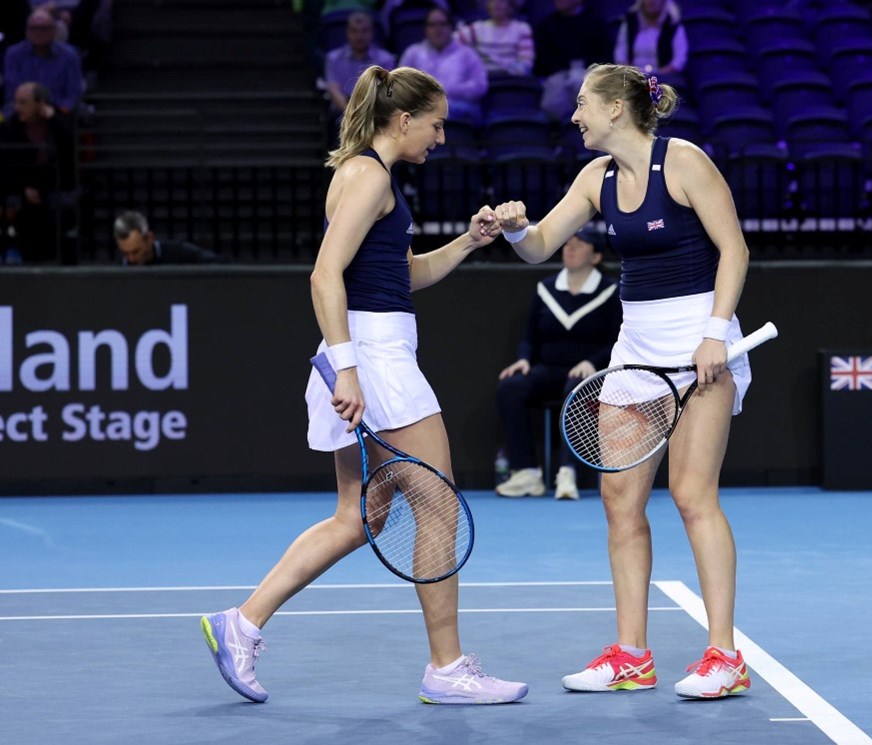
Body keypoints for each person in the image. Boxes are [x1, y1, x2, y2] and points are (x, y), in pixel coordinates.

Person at [199, 65, 527, 706]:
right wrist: (350, 371)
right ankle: (447, 668)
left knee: (358, 518)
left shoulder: (367, 176)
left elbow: (404, 276)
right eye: (435, 125)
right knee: (436, 504)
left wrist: (469, 240)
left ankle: (240, 624)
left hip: (363, 353)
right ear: (403, 120)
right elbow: (325, 278)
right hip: (371, 360)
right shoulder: (371, 176)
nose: (439, 137)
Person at [484, 64, 754, 699]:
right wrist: (518, 227)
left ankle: (725, 655)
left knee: (692, 496)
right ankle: (632, 654)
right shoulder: (594, 178)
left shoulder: (684, 161)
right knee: (618, 502)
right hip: (635, 350)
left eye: (582, 104)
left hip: (700, 344)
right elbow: (542, 244)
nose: (573, 115)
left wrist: (716, 332)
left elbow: (734, 249)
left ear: (614, 110)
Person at [495, 226, 621, 501]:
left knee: (575, 387)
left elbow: (617, 339)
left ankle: (568, 472)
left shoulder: (611, 292)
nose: (569, 248)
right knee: (511, 387)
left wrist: (592, 362)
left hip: (589, 374)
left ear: (596, 256)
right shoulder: (547, 289)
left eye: (579, 244)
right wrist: (524, 360)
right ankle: (526, 472)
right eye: (567, 243)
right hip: (549, 370)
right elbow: (530, 336)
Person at [0, 81, 75, 264]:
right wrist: (24, 188)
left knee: (60, 205)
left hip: (53, 185)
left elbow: (69, 157)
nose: (17, 108)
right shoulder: (10, 128)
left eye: (23, 102)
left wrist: (54, 120)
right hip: (20, 186)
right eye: (16, 102)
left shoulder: (59, 122)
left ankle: (59, 262)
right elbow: (6, 165)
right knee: (20, 207)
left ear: (40, 104)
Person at [399, 7, 488, 125]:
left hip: (459, 111)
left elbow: (480, 86)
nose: (438, 29)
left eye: (442, 24)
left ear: (451, 27)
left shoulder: (467, 53)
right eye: (433, 25)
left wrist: (448, 90)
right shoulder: (413, 53)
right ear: (426, 29)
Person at [533, 0, 611, 120]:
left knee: (581, 86)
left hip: (589, 71)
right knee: (552, 103)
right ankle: (562, 132)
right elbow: (543, 59)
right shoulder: (547, 24)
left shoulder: (596, 21)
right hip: (557, 73)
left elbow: (605, 56)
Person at [3, 9, 82, 116]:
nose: (38, 32)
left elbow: (73, 93)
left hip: (58, 112)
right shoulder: (13, 54)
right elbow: (12, 90)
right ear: (27, 31)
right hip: (21, 110)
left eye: (44, 28)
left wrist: (55, 110)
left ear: (54, 30)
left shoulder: (70, 55)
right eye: (34, 28)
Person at [324, 11, 395, 117]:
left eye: (364, 31)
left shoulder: (385, 59)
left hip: (374, 110)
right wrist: (352, 114)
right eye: (354, 31)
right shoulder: (334, 58)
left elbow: (387, 91)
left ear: (371, 33)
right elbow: (334, 90)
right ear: (347, 33)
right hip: (344, 111)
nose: (359, 36)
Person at [613, 0, 689, 82]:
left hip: (664, 80)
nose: (651, 1)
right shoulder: (630, 22)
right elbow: (620, 55)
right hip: (633, 79)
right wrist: (634, 75)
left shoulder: (673, 24)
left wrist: (656, 76)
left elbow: (679, 60)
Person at [456, 0, 534, 77]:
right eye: (492, 1)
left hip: (512, 79)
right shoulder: (477, 28)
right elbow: (450, 42)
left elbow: (526, 61)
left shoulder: (522, 29)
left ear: (510, 6)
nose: (496, 4)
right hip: (482, 79)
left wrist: (508, 73)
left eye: (501, 1)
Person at [112, 211, 221, 265]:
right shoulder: (120, 267)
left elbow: (222, 265)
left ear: (150, 238)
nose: (131, 259)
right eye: (125, 253)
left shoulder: (179, 253)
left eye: (136, 252)